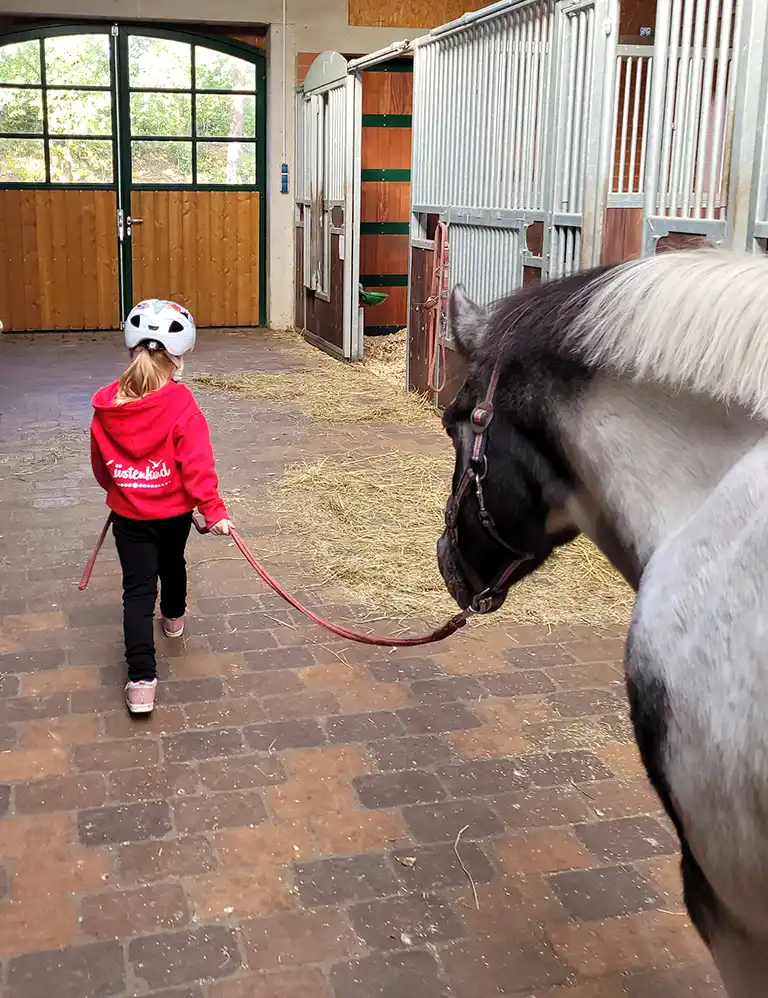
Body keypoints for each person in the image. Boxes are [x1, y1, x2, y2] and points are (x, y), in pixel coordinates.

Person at [90, 300, 233, 715]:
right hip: (172, 516)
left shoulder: (106, 409)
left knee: (136, 592)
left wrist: (122, 489)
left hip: (128, 517)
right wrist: (213, 509)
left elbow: (101, 468)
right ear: (176, 361)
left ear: (131, 353)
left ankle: (141, 681)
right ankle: (173, 617)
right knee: (173, 564)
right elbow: (198, 464)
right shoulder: (182, 406)